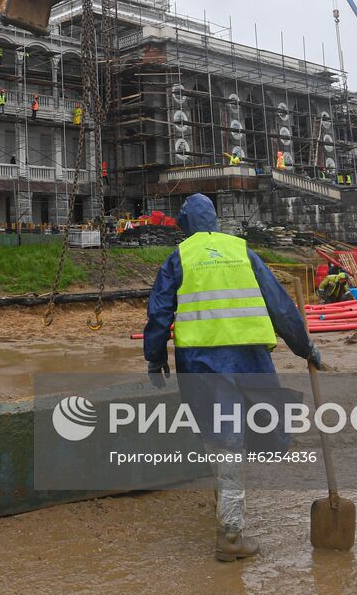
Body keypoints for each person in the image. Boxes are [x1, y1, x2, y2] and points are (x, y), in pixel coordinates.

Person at [143, 193, 321, 562]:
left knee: (221, 438)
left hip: (200, 364)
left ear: (185, 224)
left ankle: (227, 512)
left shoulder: (179, 258)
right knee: (241, 438)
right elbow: (280, 307)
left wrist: (155, 358)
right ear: (215, 221)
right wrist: (305, 347)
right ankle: (231, 533)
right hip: (248, 360)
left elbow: (159, 313)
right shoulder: (243, 252)